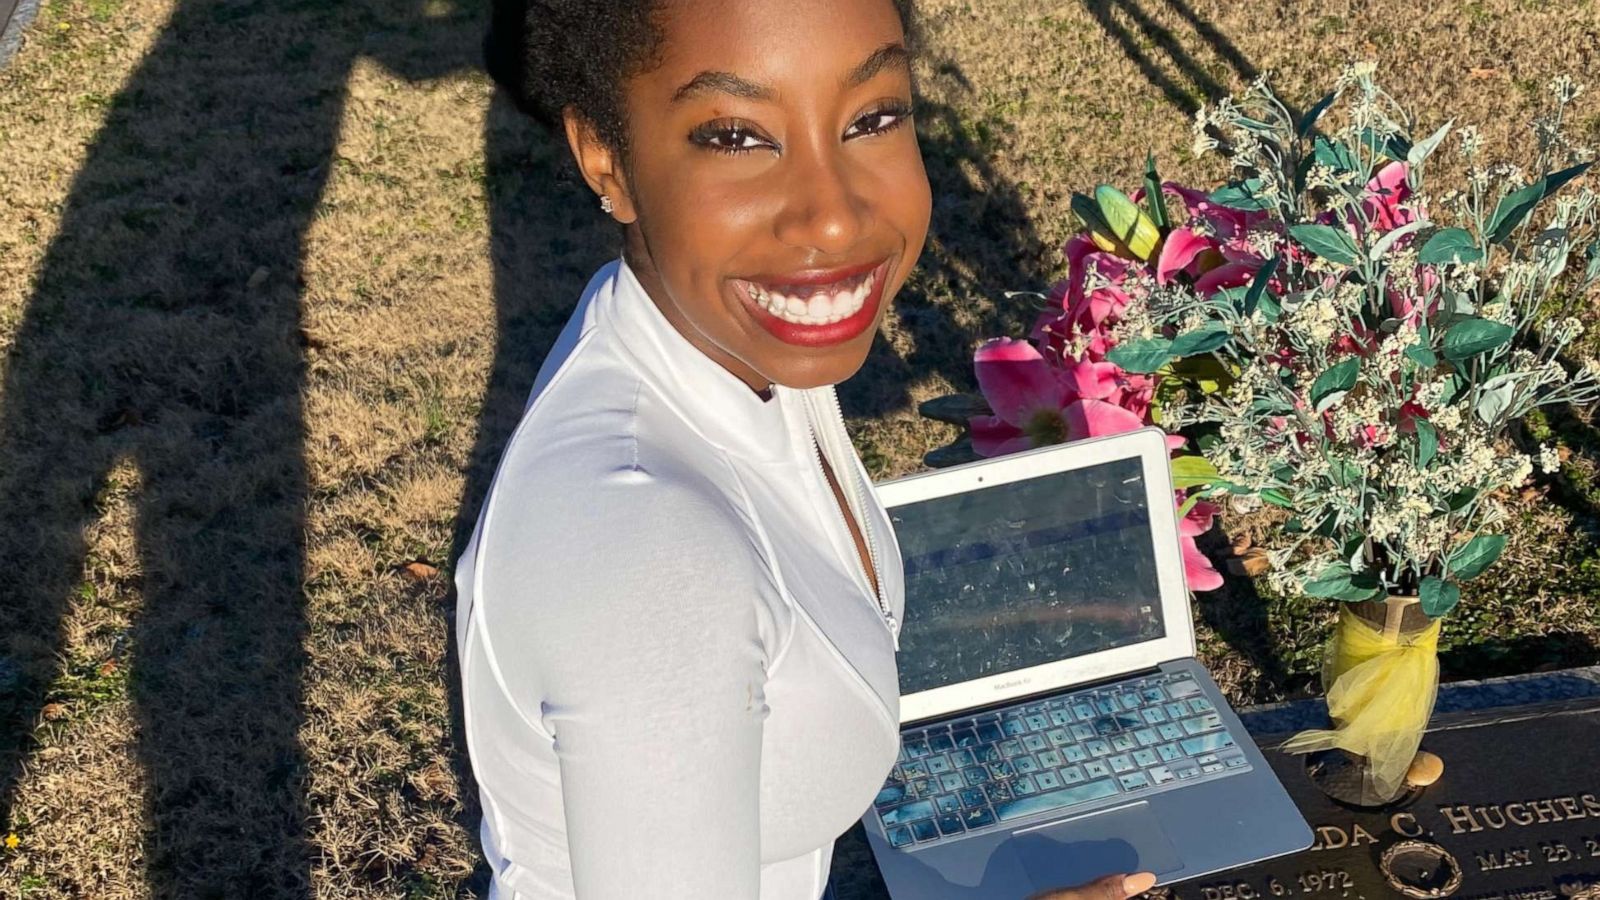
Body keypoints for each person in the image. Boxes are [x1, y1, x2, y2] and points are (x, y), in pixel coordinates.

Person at [457, 1, 1159, 898]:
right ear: (606, 159)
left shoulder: (709, 337)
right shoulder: (648, 550)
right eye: (737, 136)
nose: (833, 219)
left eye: (872, 118)